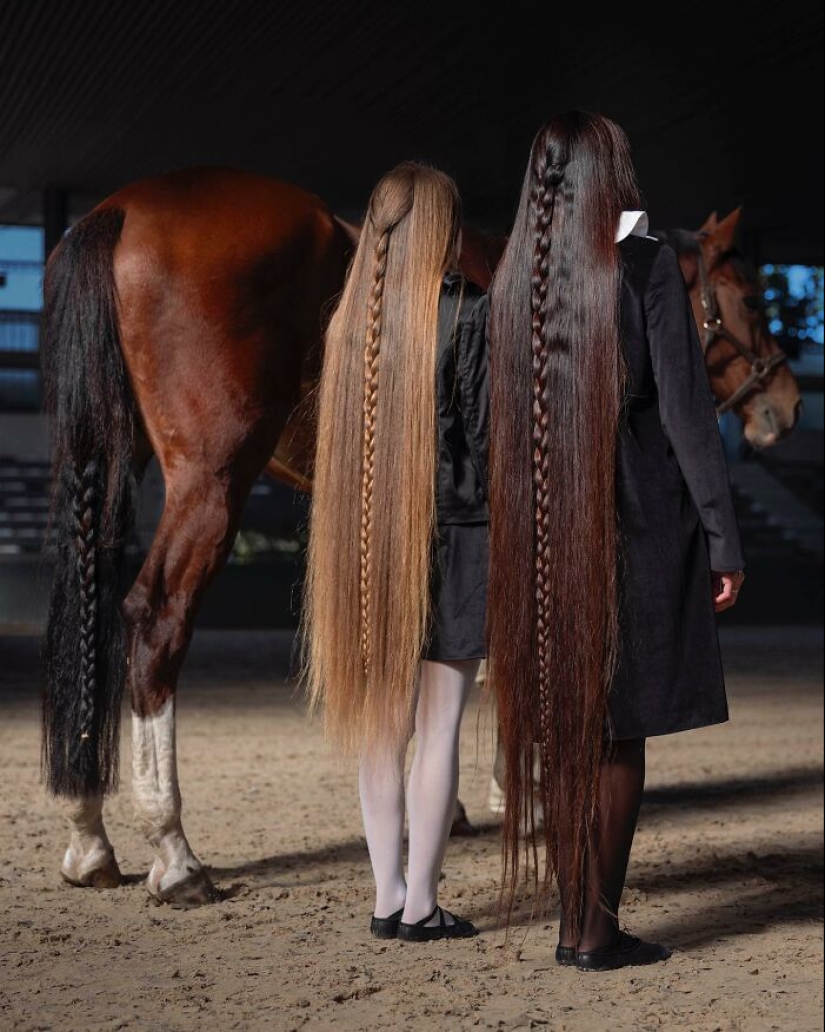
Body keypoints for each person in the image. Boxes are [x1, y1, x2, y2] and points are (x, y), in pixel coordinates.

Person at [486, 112, 746, 972]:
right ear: (611, 175)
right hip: (633, 522)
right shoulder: (643, 269)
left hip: (537, 532)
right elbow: (684, 415)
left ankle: (576, 924)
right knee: (617, 736)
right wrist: (721, 537)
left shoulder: (513, 276)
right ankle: (594, 932)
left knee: (568, 734)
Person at [303, 163, 489, 942]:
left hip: (363, 541)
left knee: (380, 727)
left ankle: (385, 898)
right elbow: (484, 446)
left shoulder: (347, 325)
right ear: (441, 231)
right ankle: (422, 901)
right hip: (456, 535)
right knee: (439, 727)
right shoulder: (467, 315)